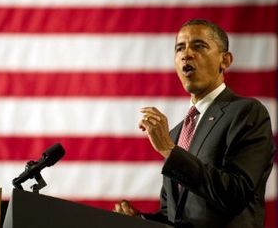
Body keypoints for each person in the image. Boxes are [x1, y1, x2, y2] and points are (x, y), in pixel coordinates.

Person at [113, 19, 275, 228]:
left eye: (199, 46)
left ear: (224, 60)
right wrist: (139, 221)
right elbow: (173, 215)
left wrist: (169, 150)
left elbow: (236, 194)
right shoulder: (176, 133)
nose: (186, 54)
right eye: (179, 48)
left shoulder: (246, 112)